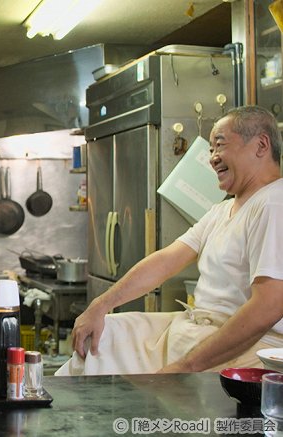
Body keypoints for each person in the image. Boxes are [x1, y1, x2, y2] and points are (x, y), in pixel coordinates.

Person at [56, 105, 283, 376]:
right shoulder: (222, 210)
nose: (212, 158)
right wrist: (101, 304)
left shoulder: (273, 202)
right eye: (210, 149)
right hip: (195, 327)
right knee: (104, 334)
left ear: (261, 145)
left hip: (241, 349)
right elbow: (166, 261)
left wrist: (184, 367)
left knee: (124, 383)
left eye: (219, 145)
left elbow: (269, 305)